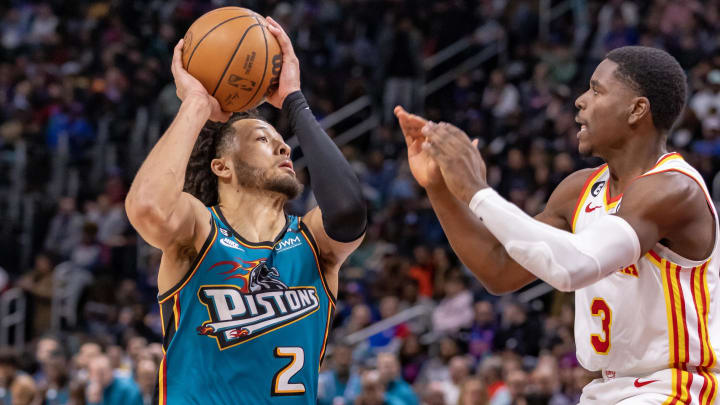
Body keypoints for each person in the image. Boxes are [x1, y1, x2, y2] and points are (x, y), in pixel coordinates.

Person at [395, 45, 718, 404]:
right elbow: (498, 269)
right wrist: (439, 187)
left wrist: (475, 190)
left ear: (637, 109)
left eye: (597, 90)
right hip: (605, 390)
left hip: (676, 388)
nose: (580, 100)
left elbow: (576, 266)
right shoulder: (578, 190)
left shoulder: (672, 189)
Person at [124, 16, 366, 404]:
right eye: (262, 138)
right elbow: (148, 208)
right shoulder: (200, 230)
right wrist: (197, 105)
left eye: (281, 140)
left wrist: (294, 100)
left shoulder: (311, 242)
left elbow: (349, 211)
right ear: (222, 167)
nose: (285, 147)